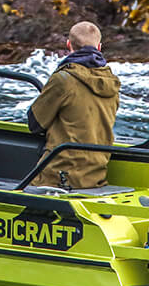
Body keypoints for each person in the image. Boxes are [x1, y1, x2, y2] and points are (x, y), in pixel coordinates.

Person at [27, 21, 121, 189]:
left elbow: (35, 123)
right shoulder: (112, 83)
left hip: (58, 176)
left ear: (68, 45)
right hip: (96, 176)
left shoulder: (64, 79)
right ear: (99, 47)